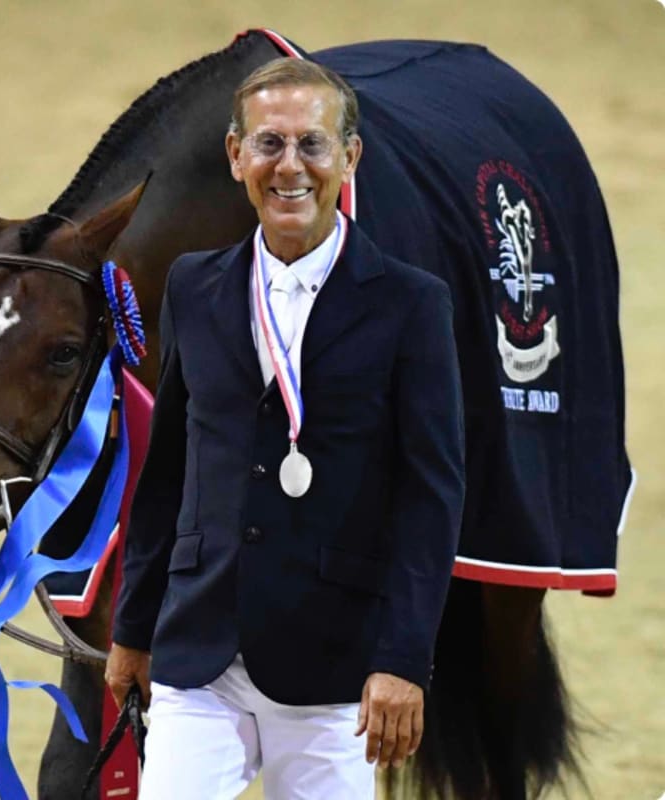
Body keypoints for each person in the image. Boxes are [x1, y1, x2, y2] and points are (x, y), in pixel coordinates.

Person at [105, 57, 465, 799]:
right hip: (200, 654)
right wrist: (132, 629)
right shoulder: (193, 286)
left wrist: (403, 660)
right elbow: (166, 471)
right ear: (236, 155)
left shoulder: (411, 305)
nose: (290, 166)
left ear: (349, 157)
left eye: (312, 143)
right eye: (269, 143)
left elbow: (431, 498)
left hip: (335, 668)